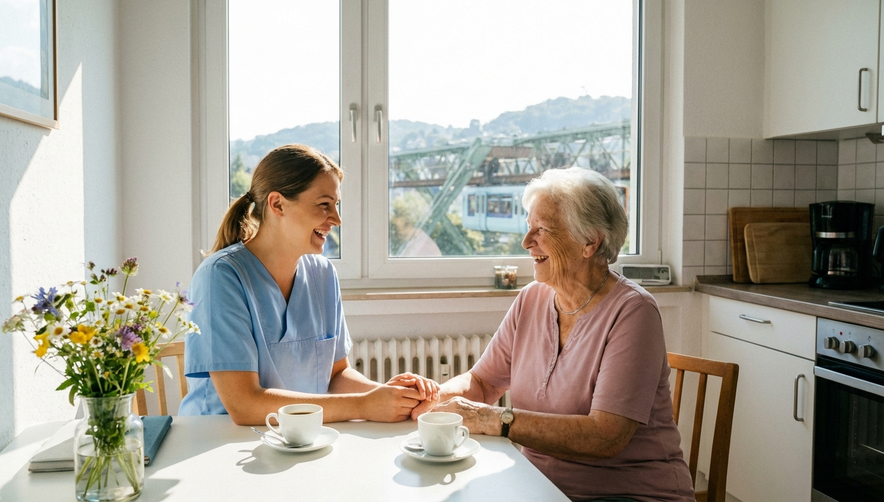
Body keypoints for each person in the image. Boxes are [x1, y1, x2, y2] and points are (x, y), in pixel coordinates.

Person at [411, 167, 695, 502]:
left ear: (590, 241)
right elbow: (484, 383)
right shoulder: (532, 298)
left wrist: (496, 419)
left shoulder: (634, 312)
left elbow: (606, 437)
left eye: (542, 230)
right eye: (529, 227)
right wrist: (432, 399)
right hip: (537, 486)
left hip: (628, 492)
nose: (526, 241)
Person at [179, 144, 438, 424]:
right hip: (217, 444)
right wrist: (363, 406)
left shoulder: (322, 274)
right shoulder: (220, 276)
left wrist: (393, 397)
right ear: (277, 203)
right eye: (323, 205)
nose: (336, 219)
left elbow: (337, 375)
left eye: (336, 205)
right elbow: (244, 404)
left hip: (300, 436)